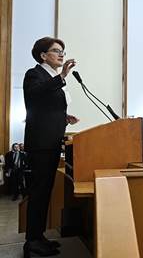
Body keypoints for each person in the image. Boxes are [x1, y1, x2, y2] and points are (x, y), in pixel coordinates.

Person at [23, 37, 79, 257]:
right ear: (43, 55)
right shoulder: (34, 74)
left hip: (52, 141)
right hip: (40, 144)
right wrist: (63, 76)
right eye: (56, 51)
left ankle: (38, 237)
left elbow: (45, 108)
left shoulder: (52, 77)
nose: (61, 54)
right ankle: (31, 242)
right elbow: (35, 96)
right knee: (38, 193)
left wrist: (64, 117)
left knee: (45, 192)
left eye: (63, 51)